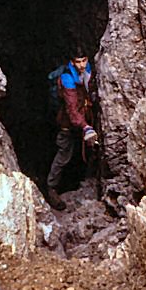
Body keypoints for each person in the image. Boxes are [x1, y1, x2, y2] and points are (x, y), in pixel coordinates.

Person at [46, 49, 98, 210]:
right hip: (68, 123)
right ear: (72, 62)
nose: (82, 65)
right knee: (64, 155)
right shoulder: (67, 78)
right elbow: (72, 109)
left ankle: (91, 182)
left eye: (84, 61)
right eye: (78, 62)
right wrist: (85, 127)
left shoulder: (89, 70)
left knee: (93, 150)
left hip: (86, 118)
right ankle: (51, 188)